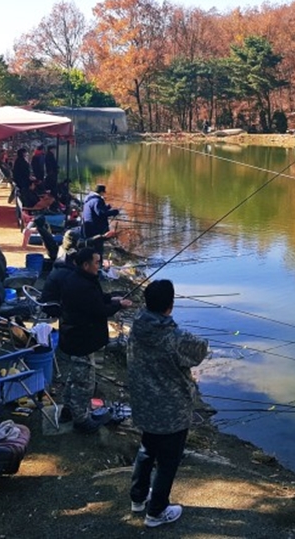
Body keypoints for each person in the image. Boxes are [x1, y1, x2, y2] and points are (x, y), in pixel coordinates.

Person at [128, 279, 208, 528]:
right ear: (170, 305)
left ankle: (138, 498)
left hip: (144, 405)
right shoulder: (175, 337)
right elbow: (200, 350)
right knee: (168, 462)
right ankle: (157, 511)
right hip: (172, 411)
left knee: (146, 451)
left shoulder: (137, 327)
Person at [57, 248, 130, 433]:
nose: (100, 265)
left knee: (74, 377)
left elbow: (95, 300)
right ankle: (81, 421)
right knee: (84, 383)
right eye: (97, 262)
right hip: (81, 340)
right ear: (86, 265)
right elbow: (99, 310)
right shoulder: (82, 285)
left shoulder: (80, 279)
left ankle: (68, 410)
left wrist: (111, 298)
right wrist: (118, 305)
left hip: (74, 337)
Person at [82, 184, 119, 249]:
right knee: (97, 246)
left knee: (91, 244)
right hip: (95, 228)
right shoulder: (97, 200)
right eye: (104, 192)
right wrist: (114, 212)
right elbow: (101, 213)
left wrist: (107, 207)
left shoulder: (89, 198)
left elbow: (96, 210)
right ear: (101, 192)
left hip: (87, 226)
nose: (104, 193)